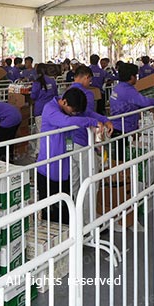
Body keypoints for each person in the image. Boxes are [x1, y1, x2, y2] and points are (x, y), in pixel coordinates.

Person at [36, 89, 110, 225]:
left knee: (64, 209)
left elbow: (87, 113)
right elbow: (66, 121)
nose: (74, 114)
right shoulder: (50, 109)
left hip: (64, 167)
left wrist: (104, 120)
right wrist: (92, 122)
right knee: (51, 212)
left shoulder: (67, 106)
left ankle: (69, 237)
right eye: (73, 111)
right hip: (49, 168)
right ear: (64, 102)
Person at [110, 63, 154, 136]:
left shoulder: (118, 87)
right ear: (131, 77)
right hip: (124, 127)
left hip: (116, 124)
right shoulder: (128, 90)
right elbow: (145, 102)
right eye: (136, 76)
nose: (137, 78)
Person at [29, 64, 58, 131]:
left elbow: (33, 96)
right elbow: (55, 94)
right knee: (51, 132)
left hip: (40, 110)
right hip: (51, 109)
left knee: (40, 133)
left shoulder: (37, 82)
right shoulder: (52, 81)